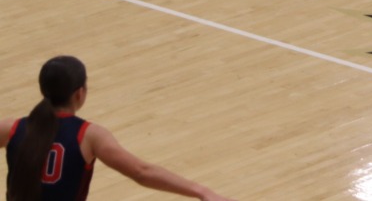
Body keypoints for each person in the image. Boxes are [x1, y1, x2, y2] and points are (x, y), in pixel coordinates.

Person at [2, 56, 235, 201]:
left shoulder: (11, 128)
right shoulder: (89, 136)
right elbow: (142, 172)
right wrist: (202, 191)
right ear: (79, 93)